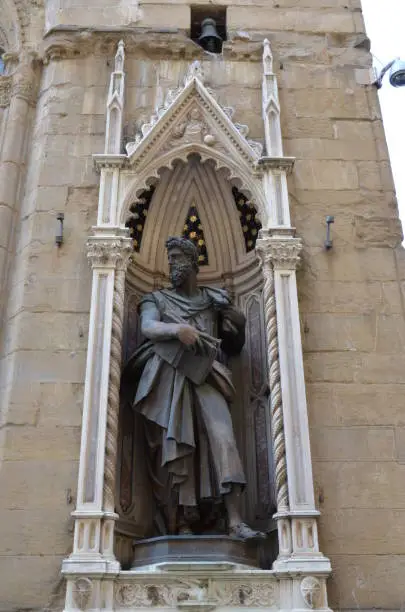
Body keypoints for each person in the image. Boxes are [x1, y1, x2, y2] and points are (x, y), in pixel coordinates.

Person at [122, 237, 264, 540]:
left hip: (207, 376)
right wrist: (178, 329)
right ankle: (181, 523)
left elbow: (235, 344)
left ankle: (235, 521)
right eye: (169, 259)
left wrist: (233, 321)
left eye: (177, 258)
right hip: (167, 378)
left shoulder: (214, 299)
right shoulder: (156, 300)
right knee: (177, 450)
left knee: (224, 438)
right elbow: (148, 327)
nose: (172, 264)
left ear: (192, 262)